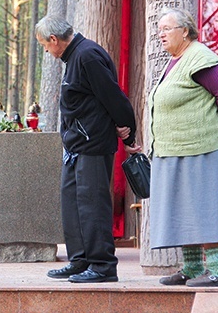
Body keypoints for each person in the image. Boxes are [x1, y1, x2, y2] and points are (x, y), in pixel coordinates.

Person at [35, 15, 141, 283]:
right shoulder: (74, 58)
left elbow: (114, 97)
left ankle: (102, 265)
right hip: (75, 147)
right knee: (72, 203)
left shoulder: (88, 56)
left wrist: (128, 134)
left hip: (92, 144)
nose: (46, 52)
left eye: (45, 46)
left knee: (93, 205)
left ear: (54, 40)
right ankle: (80, 259)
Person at [148, 7, 218, 287]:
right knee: (183, 207)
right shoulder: (177, 59)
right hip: (176, 147)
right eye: (159, 29)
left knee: (202, 206)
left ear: (185, 32)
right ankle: (192, 267)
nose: (160, 34)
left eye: (167, 29)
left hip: (200, 146)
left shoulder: (199, 56)